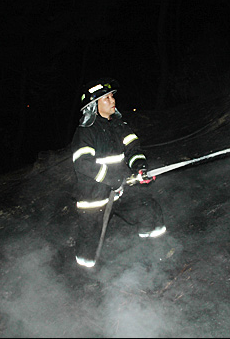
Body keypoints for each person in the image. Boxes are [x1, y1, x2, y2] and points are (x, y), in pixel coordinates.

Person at [71, 77, 166, 268]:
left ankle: (153, 253)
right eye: (106, 98)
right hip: (94, 196)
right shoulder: (86, 132)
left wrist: (140, 167)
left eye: (112, 96)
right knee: (89, 239)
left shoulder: (119, 126)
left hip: (121, 190)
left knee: (148, 209)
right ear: (92, 106)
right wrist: (113, 179)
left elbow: (133, 150)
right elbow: (83, 163)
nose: (112, 101)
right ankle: (83, 276)